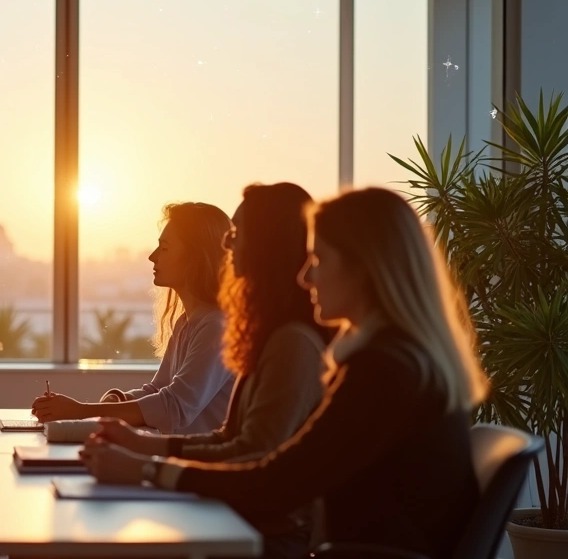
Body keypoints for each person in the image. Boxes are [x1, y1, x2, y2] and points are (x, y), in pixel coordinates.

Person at [83, 187, 487, 559]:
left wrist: (146, 468)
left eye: (319, 259)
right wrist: (143, 448)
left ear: (366, 269)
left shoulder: (380, 370)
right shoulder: (394, 359)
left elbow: (273, 481)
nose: (305, 275)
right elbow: (252, 452)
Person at [86, 183, 332, 559]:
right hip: (233, 516)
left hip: (262, 535)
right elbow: (228, 438)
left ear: (267, 245)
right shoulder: (266, 334)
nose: (227, 246)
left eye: (236, 235)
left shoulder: (291, 343)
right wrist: (142, 446)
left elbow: (252, 456)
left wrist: (146, 467)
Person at [31, 202, 235, 434]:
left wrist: (80, 411)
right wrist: (118, 398)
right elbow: (159, 389)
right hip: (179, 457)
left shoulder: (216, 327)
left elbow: (173, 407)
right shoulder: (187, 323)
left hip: (201, 465)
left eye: (165, 248)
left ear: (195, 258)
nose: (152, 256)